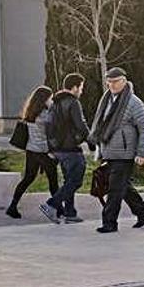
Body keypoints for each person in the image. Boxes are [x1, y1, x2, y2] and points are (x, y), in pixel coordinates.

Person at [88, 67, 144, 234]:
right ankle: (143, 211)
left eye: (115, 81)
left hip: (125, 154)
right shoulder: (106, 100)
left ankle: (109, 223)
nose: (111, 85)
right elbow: (102, 126)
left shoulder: (133, 102)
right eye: (109, 82)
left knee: (115, 189)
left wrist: (142, 152)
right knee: (122, 187)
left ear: (124, 81)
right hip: (109, 152)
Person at [42, 73, 90, 224]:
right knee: (76, 181)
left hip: (58, 150)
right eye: (81, 88)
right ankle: (51, 204)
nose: (81, 91)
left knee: (69, 180)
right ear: (75, 87)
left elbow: (48, 125)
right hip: (70, 148)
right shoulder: (73, 102)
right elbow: (80, 125)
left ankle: (70, 212)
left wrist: (52, 147)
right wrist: (91, 141)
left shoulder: (55, 103)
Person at [6, 86, 59, 220]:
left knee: (28, 179)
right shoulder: (45, 115)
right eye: (50, 98)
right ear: (44, 99)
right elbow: (54, 130)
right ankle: (59, 209)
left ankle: (12, 206)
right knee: (53, 181)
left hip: (31, 151)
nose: (51, 101)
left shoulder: (30, 113)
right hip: (44, 152)